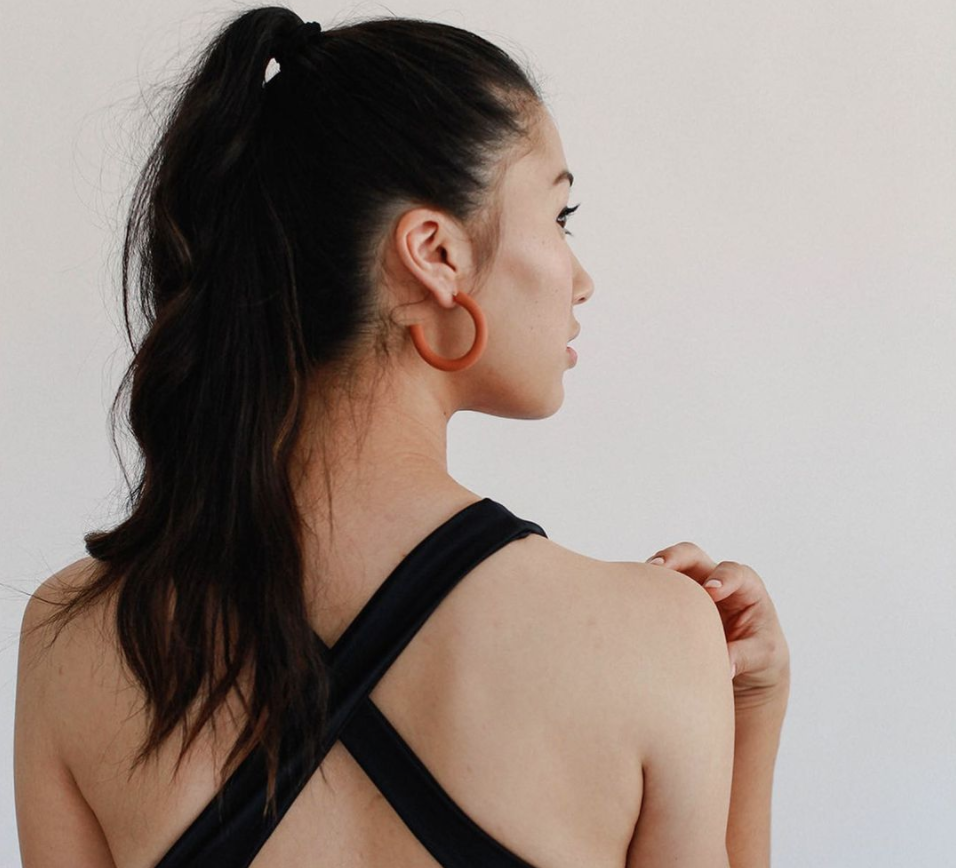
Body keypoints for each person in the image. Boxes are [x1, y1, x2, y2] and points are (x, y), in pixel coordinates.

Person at [13, 7, 790, 868]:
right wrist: (747, 721)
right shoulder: (655, 638)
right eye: (560, 217)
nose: (581, 279)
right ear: (435, 253)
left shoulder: (73, 640)